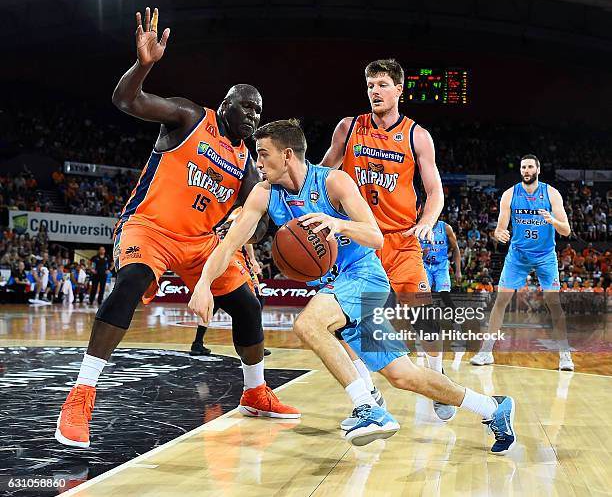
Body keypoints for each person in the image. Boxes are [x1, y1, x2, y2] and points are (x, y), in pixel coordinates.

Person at [189, 120, 517, 454]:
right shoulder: (264, 193)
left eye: (263, 155)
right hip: (337, 287)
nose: (257, 164)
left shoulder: (333, 181)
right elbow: (229, 246)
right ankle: (492, 408)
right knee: (404, 376)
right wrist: (203, 283)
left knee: (308, 324)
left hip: (364, 277)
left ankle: (367, 407)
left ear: (287, 155)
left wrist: (337, 223)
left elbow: (375, 237)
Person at [55, 7, 298, 450]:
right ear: (225, 105)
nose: (253, 114)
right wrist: (143, 67)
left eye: (259, 110)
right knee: (130, 284)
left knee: (247, 305)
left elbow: (255, 215)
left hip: (201, 243)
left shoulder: (247, 162)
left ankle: (255, 391)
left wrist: (249, 245)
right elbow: (127, 101)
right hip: (150, 228)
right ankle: (81, 394)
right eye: (246, 105)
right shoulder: (189, 117)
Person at [321, 58, 454, 423]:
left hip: (401, 242)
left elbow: (435, 191)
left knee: (426, 315)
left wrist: (427, 221)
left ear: (399, 89)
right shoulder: (349, 128)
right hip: (360, 243)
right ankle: (367, 388)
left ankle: (437, 375)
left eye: (382, 84)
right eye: (370, 86)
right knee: (343, 323)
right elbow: (322, 173)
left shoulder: (416, 135)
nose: (375, 92)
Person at [470, 154, 574, 371]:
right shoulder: (510, 194)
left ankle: (565, 356)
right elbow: (500, 227)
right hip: (518, 255)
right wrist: (499, 233)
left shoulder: (551, 194)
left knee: (554, 304)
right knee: (501, 301)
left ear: (537, 169)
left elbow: (566, 230)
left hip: (545, 255)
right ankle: (486, 352)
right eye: (523, 167)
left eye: (530, 167)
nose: (526, 171)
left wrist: (552, 220)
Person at [190, 207, 271, 358]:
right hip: (234, 257)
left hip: (219, 256)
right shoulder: (247, 210)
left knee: (217, 301)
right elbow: (247, 238)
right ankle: (253, 342)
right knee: (255, 300)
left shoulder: (237, 212)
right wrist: (253, 259)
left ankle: (197, 342)